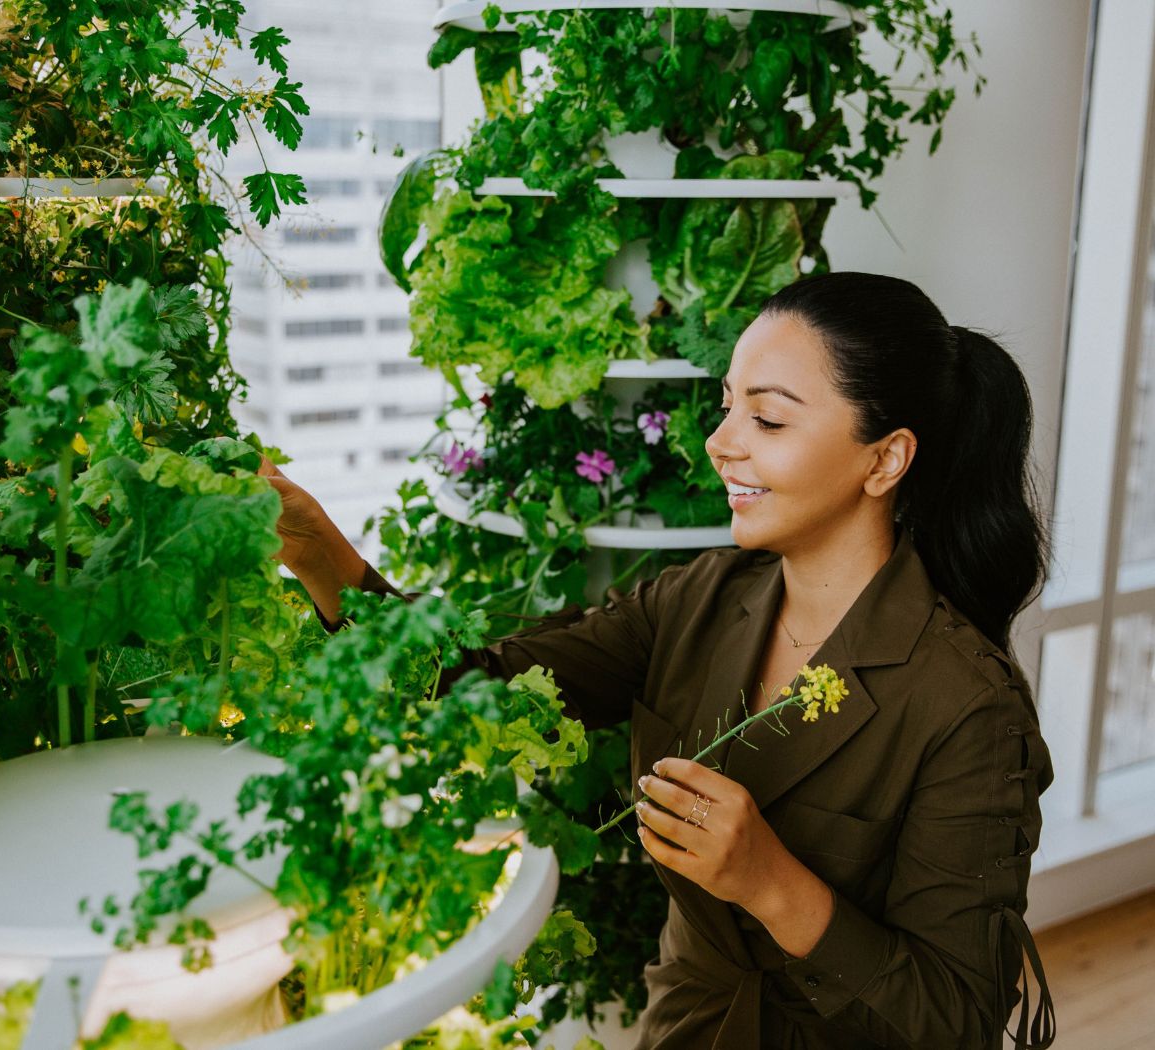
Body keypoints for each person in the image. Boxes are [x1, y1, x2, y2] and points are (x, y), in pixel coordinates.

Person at [260, 271, 1056, 1050]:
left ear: (885, 459)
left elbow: (957, 1020)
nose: (719, 444)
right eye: (726, 408)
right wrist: (320, 555)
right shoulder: (699, 600)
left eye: (768, 421)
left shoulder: (970, 707)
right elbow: (477, 694)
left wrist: (771, 883)